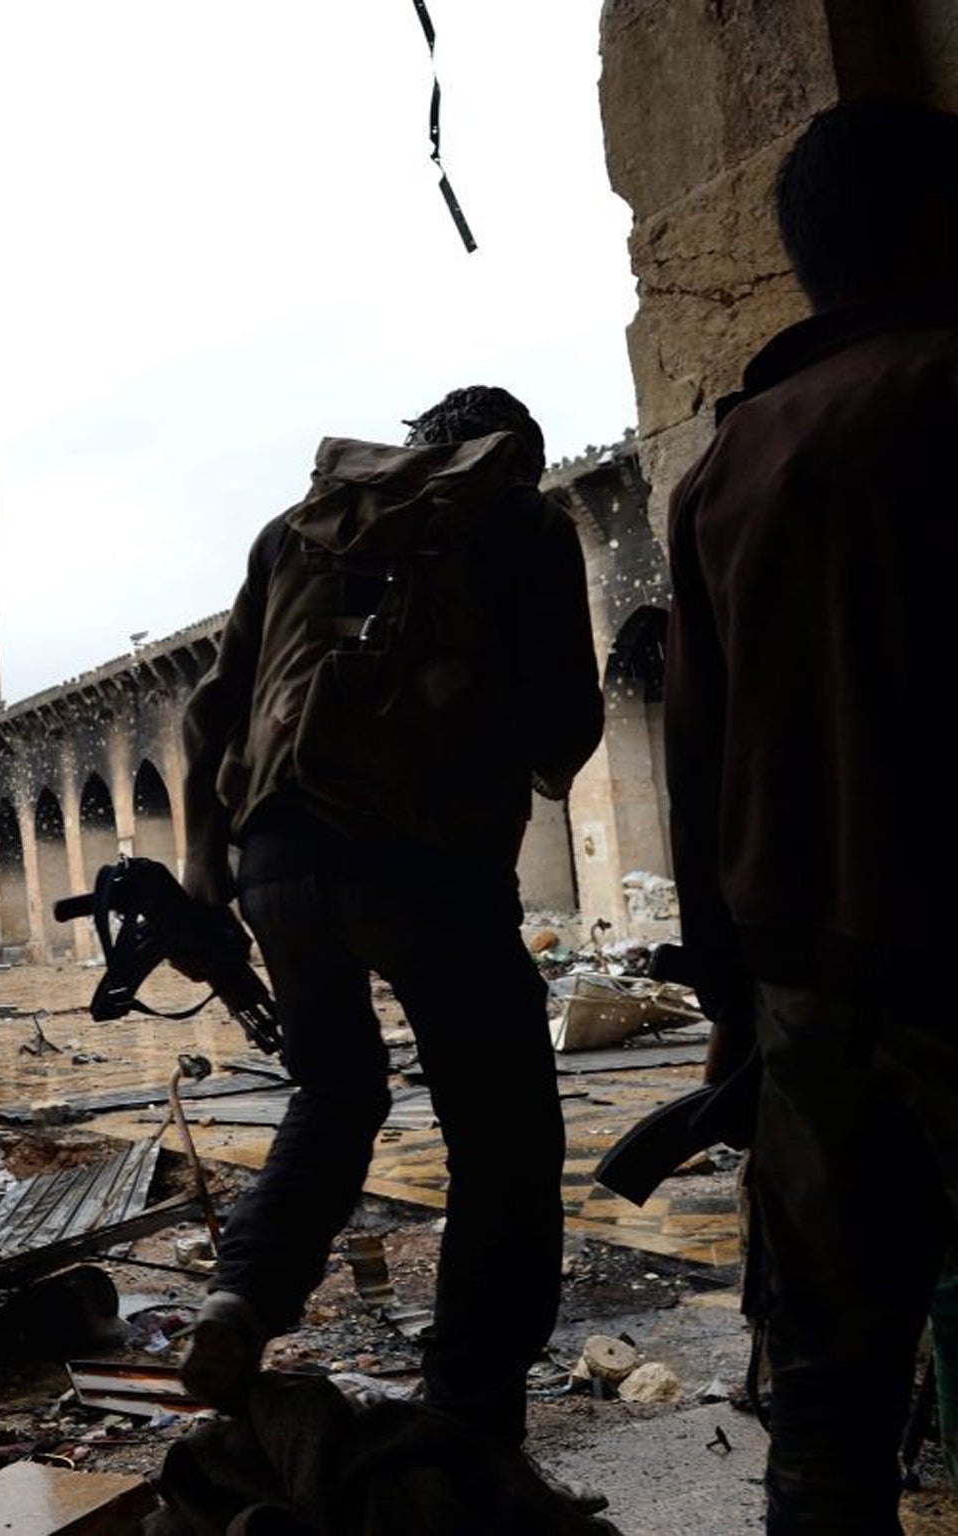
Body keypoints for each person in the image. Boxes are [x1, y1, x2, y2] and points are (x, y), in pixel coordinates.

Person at [176, 386, 604, 1447]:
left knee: (333, 1090)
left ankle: (241, 1300)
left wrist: (201, 866)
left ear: (413, 445)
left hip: (276, 855)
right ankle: (467, 1422)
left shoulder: (298, 529)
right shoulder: (521, 521)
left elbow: (210, 707)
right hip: (427, 861)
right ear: (515, 457)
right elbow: (562, 735)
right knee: (500, 1134)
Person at [662, 97, 958, 1535]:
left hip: (804, 993)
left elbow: (697, 764)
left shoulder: (727, 459)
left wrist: (731, 996)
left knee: (830, 1391)